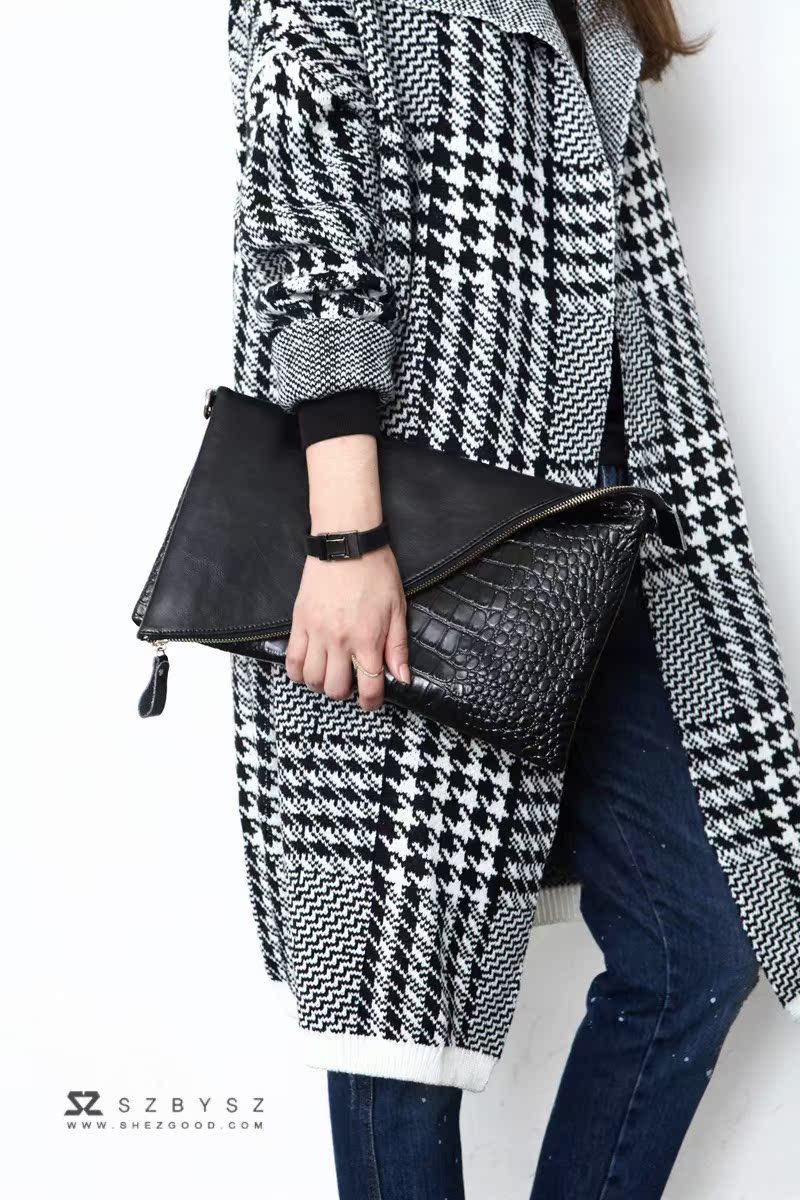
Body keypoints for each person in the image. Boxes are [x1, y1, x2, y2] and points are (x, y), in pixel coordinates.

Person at [226, 0, 800, 1195]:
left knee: (699, 937)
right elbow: (307, 241)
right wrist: (346, 539)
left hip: (613, 528)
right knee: (398, 992)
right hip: (427, 531)